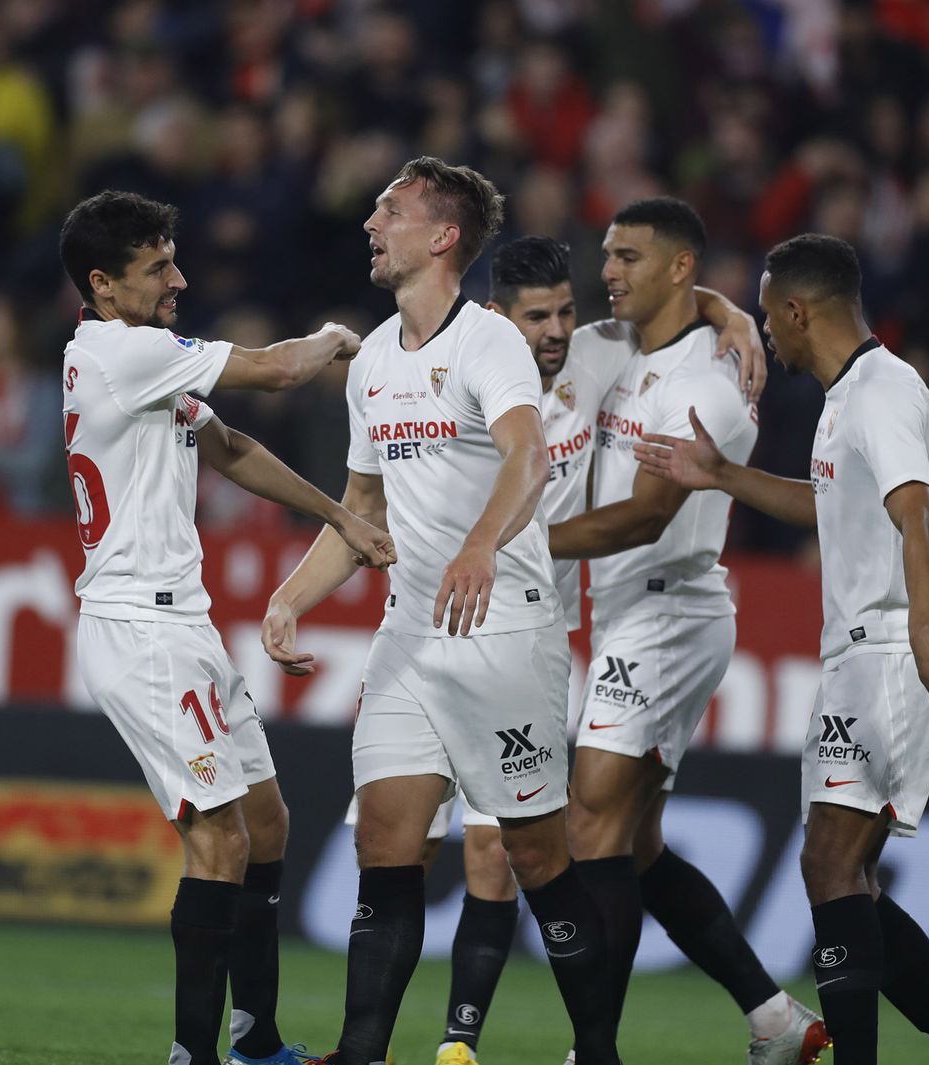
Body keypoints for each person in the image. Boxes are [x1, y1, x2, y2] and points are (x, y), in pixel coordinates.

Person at [264, 157, 623, 1065]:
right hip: (411, 632)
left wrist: (478, 544)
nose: (371, 225)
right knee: (386, 839)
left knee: (537, 857)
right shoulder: (374, 360)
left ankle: (599, 1052)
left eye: (390, 210)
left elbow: (529, 460)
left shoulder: (490, 340)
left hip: (505, 625)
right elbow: (362, 516)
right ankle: (361, 1055)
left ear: (443, 236)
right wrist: (290, 598)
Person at [635, 233, 929, 1065]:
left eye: (769, 315)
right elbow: (835, 506)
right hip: (866, 648)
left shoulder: (878, 391)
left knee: (830, 862)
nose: (767, 330)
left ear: (799, 310)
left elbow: (913, 512)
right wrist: (723, 474)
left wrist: (921, 633)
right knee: (849, 880)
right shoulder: (854, 395)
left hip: (891, 647)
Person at [57, 190, 396, 1065]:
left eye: (174, 259)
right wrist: (331, 334)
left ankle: (257, 1041)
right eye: (156, 268)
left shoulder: (144, 364)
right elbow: (283, 370)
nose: (179, 279)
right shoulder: (122, 351)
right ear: (102, 285)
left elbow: (233, 447)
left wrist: (342, 520)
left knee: (266, 822)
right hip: (140, 629)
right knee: (219, 837)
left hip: (184, 625)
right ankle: (193, 1055)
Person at [545, 198, 826, 1065]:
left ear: (677, 266)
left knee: (589, 819)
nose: (609, 271)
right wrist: (724, 302)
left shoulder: (716, 385)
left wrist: (509, 547)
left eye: (629, 255)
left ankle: (595, 1051)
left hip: (671, 609)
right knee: (635, 841)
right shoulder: (610, 346)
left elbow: (640, 519)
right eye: (607, 254)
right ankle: (775, 1019)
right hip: (626, 610)